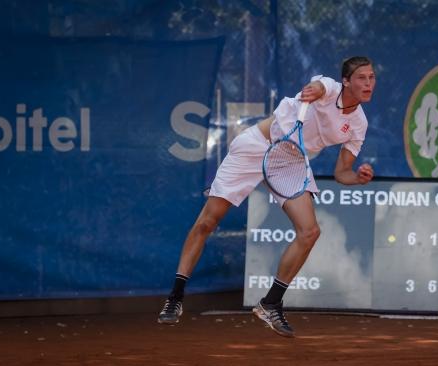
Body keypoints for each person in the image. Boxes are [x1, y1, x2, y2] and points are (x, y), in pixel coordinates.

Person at [158, 56, 376, 338]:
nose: (368, 83)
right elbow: (318, 86)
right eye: (361, 78)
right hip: (258, 145)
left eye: (371, 77)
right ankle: (175, 297)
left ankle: (270, 303)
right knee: (207, 222)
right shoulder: (330, 88)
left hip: (290, 162)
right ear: (346, 81)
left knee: (310, 232)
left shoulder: (359, 124)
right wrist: (314, 90)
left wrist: (358, 178)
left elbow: (341, 173)